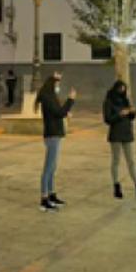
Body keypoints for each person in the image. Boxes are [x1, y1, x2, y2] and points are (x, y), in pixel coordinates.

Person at [103, 80, 136, 199]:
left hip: (127, 133)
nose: (122, 92)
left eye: (124, 89)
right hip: (116, 134)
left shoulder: (125, 100)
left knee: (131, 161)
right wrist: (120, 114)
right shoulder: (108, 102)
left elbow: (131, 117)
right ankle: (116, 185)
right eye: (120, 89)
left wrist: (133, 113)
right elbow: (107, 119)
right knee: (116, 161)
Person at [35, 73, 76, 212]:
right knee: (48, 168)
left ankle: (52, 195)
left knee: (53, 167)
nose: (58, 87)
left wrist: (65, 112)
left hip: (56, 134)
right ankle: (44, 199)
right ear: (52, 85)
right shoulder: (47, 98)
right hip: (52, 135)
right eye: (57, 84)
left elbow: (59, 112)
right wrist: (70, 100)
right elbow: (58, 112)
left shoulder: (51, 97)